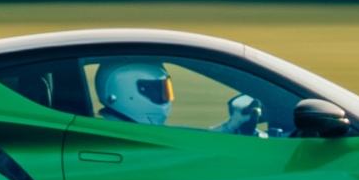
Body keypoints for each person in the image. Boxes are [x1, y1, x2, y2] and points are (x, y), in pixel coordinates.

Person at [95, 61, 263, 133]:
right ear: (126, 92)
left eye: (165, 89)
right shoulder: (126, 136)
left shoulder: (131, 129)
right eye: (156, 90)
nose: (165, 98)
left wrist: (229, 127)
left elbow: (183, 137)